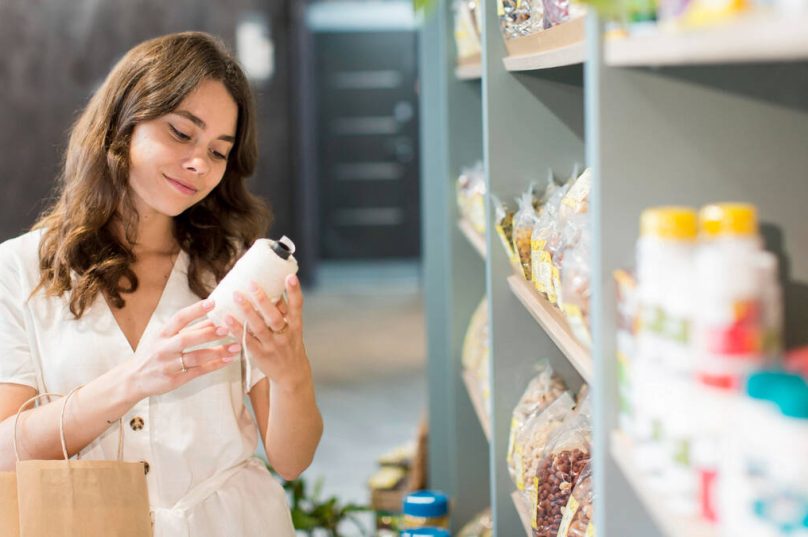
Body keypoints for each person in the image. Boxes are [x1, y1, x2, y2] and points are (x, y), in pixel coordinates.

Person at [0, 32, 322, 536]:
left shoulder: (233, 271)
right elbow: (4, 452)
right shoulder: (20, 270)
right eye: (180, 133)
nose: (199, 164)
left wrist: (291, 375)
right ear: (122, 123)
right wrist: (134, 379)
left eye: (219, 152)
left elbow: (292, 460)